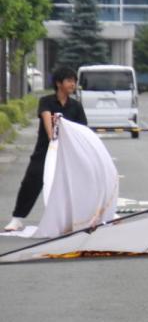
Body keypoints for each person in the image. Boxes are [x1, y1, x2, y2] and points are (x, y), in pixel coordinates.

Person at [4, 66, 88, 233]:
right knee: (31, 182)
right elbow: (47, 122)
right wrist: (53, 138)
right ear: (58, 83)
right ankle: (17, 219)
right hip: (45, 151)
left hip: (67, 153)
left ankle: (73, 220)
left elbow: (82, 130)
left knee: (70, 186)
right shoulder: (46, 101)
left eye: (74, 81)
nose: (73, 84)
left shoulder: (76, 106)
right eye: (69, 81)